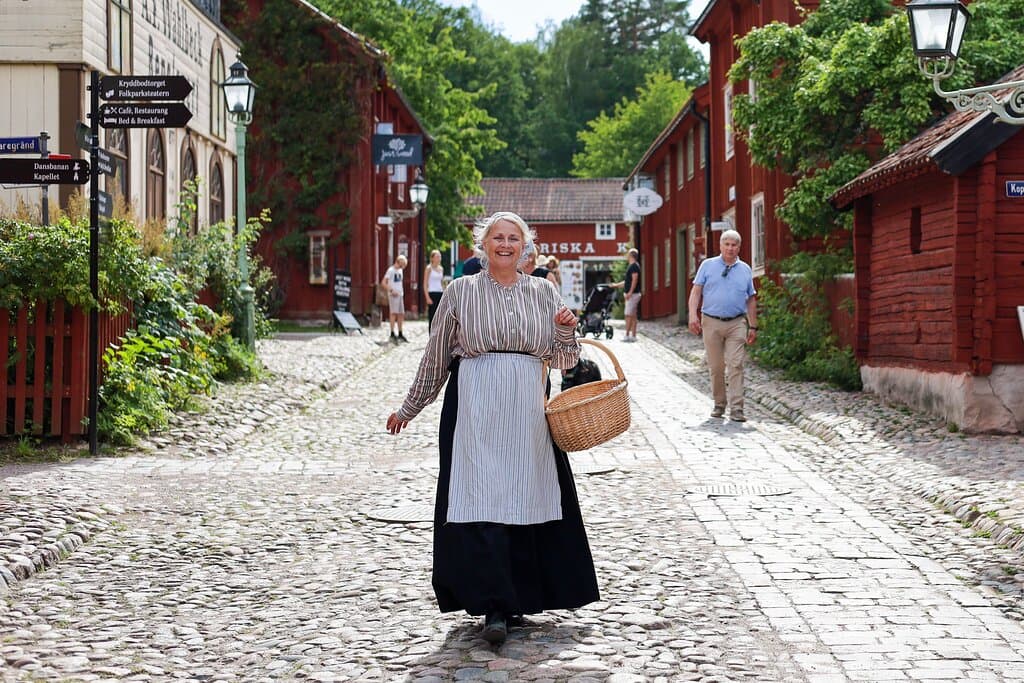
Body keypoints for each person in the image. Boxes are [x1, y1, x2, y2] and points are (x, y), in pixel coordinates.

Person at [385, 211, 599, 645]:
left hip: (527, 408)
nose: (505, 244)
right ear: (483, 246)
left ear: (525, 247)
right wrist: (411, 407)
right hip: (475, 404)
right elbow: (437, 355)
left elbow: (564, 361)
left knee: (525, 495)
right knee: (481, 497)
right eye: (497, 238)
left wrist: (564, 333)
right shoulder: (460, 292)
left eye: (513, 238)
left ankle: (518, 598)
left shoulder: (543, 290)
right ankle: (494, 606)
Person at [687, 229, 758, 422]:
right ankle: (719, 404)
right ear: (720, 246)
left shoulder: (745, 269)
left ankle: (737, 408)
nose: (730, 248)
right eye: (726, 244)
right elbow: (696, 292)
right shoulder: (707, 266)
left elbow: (751, 298)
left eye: (734, 245)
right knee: (716, 366)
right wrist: (692, 315)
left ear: (739, 247)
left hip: (737, 322)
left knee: (736, 364)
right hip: (711, 321)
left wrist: (753, 326)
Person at [611, 248, 641, 342]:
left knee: (628, 315)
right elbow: (627, 281)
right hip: (633, 293)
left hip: (632, 294)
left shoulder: (634, 266)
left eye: (628, 255)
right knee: (633, 315)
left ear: (631, 256)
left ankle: (627, 335)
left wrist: (630, 292)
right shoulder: (632, 266)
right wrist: (616, 285)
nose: (627, 256)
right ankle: (633, 335)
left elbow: (634, 280)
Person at [382, 255, 408, 343]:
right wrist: (391, 290)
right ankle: (392, 332)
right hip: (393, 295)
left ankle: (400, 332)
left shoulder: (400, 270)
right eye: (403, 263)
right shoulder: (391, 270)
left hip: (400, 294)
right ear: (399, 262)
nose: (403, 266)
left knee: (401, 313)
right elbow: (383, 283)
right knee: (393, 313)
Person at [424, 249, 447, 330]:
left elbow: (441, 282)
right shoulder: (429, 268)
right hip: (432, 293)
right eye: (437, 256)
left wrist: (445, 292)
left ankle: (438, 335)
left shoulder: (441, 268)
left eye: (439, 256)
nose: (439, 258)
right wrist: (427, 297)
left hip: (440, 292)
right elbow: (425, 283)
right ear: (432, 258)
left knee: (440, 316)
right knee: (432, 316)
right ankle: (431, 336)